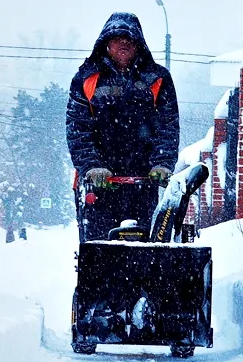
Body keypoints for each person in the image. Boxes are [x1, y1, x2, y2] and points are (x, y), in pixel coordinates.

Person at [66, 12, 180, 242]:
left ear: (139, 45)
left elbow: (168, 125)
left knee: (147, 245)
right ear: (107, 44)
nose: (124, 43)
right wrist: (91, 166)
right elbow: (77, 129)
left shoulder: (157, 79)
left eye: (129, 39)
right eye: (118, 38)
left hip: (144, 182)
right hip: (100, 184)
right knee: (99, 248)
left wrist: (162, 163)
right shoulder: (87, 79)